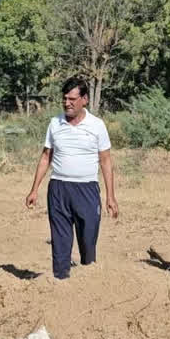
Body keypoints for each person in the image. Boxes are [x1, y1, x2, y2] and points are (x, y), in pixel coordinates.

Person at [25, 77, 119, 279]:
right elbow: (45, 158)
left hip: (87, 190)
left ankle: (88, 278)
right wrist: (34, 190)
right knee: (60, 239)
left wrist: (110, 197)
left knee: (88, 238)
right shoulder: (55, 123)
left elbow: (106, 161)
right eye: (65, 99)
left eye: (72, 99)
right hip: (59, 188)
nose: (67, 103)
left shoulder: (97, 125)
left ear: (84, 99)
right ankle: (60, 279)